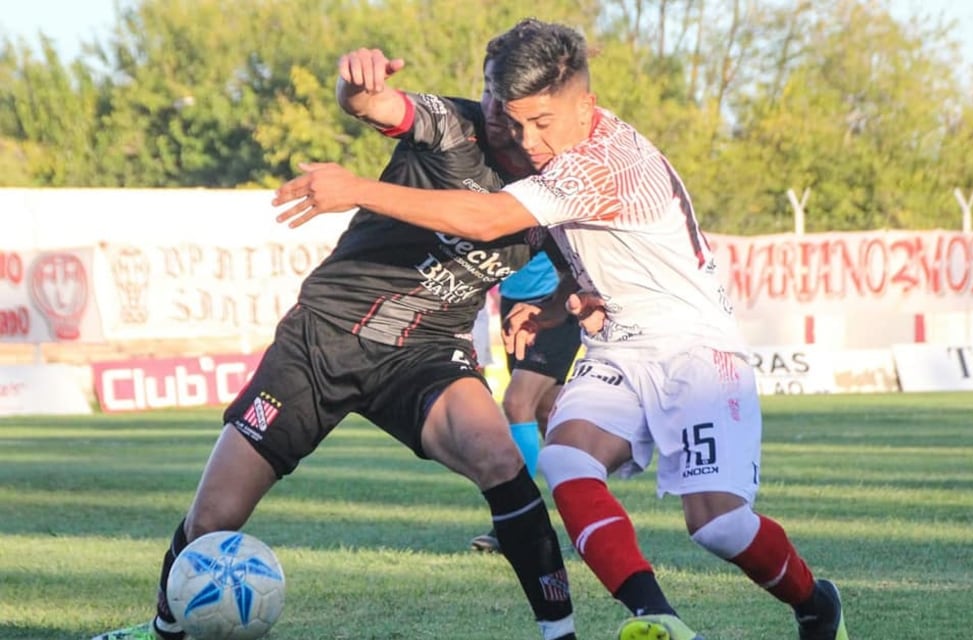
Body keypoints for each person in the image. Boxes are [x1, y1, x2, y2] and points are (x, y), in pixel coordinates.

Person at [271, 18, 849, 640]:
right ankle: (657, 620)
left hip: (696, 349)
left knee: (718, 526)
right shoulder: (558, 156)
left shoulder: (604, 160)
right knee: (567, 458)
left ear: (586, 107)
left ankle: (818, 604)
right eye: (517, 124)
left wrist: (360, 190)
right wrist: (555, 306)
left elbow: (490, 219)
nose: (529, 140)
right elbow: (603, 255)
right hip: (618, 344)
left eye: (543, 123)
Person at [93, 41, 578, 640]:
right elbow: (376, 105)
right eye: (496, 105)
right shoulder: (455, 127)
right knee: (214, 518)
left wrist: (556, 307)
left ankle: (561, 633)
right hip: (323, 338)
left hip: (426, 351)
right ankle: (163, 631)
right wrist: (356, 83)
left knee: (499, 457)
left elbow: (580, 272)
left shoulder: (565, 183)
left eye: (529, 117)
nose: (512, 128)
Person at [470, 251, 582, 553]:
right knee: (549, 416)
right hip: (512, 302)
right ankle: (586, 519)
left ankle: (517, 523)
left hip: (552, 304)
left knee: (518, 403)